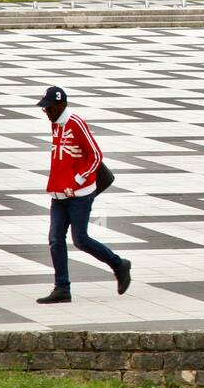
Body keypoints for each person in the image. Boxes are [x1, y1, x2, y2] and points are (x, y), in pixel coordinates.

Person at [34, 85, 131, 304]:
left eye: (49, 108)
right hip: (59, 193)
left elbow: (95, 155)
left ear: (62, 105)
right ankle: (62, 288)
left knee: (81, 239)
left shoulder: (75, 123)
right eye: (45, 109)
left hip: (80, 194)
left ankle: (119, 264)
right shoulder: (56, 124)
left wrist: (77, 180)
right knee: (55, 239)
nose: (46, 112)